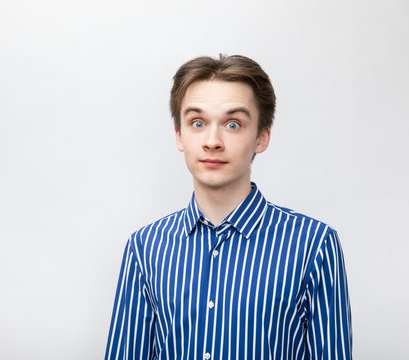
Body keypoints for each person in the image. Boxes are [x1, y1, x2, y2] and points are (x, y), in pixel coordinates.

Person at [105, 55, 352, 360]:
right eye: (197, 123)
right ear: (179, 135)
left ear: (261, 137)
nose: (212, 141)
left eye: (233, 124)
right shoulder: (145, 247)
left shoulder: (313, 244)